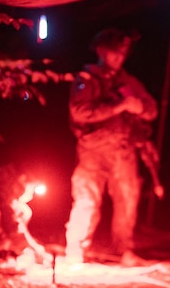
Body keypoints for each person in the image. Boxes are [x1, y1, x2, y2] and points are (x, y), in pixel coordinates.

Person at [63, 28, 159, 267]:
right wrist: (118, 107)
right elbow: (79, 112)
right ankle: (75, 250)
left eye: (123, 53)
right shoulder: (87, 79)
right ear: (101, 50)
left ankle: (123, 250)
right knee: (87, 199)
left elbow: (151, 109)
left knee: (128, 198)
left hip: (123, 149)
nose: (119, 57)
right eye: (115, 52)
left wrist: (140, 109)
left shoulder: (129, 82)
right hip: (93, 150)